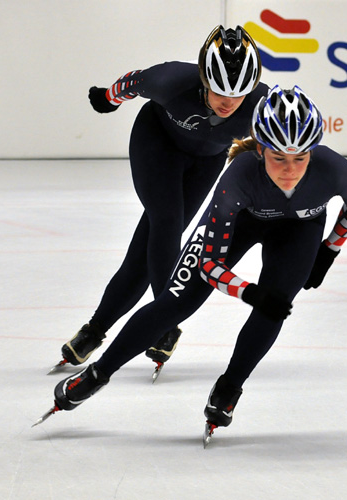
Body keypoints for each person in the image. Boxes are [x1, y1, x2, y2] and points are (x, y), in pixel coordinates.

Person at [42, 86, 347, 436]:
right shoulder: (237, 180)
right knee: (176, 302)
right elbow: (210, 265)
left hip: (299, 230)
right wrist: (248, 292)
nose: (289, 170)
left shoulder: (336, 171)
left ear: (313, 152)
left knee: (275, 307)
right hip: (243, 220)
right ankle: (98, 373)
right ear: (260, 149)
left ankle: (230, 386)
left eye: (300, 159)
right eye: (278, 158)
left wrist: (329, 250)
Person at [57, 26, 269, 371]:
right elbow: (132, 82)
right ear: (203, 79)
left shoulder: (264, 106)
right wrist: (107, 98)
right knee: (167, 221)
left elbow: (292, 144)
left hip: (207, 160)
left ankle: (94, 331)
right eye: (218, 92)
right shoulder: (172, 80)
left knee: (151, 242)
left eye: (239, 94)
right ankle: (164, 323)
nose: (228, 103)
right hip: (156, 143)